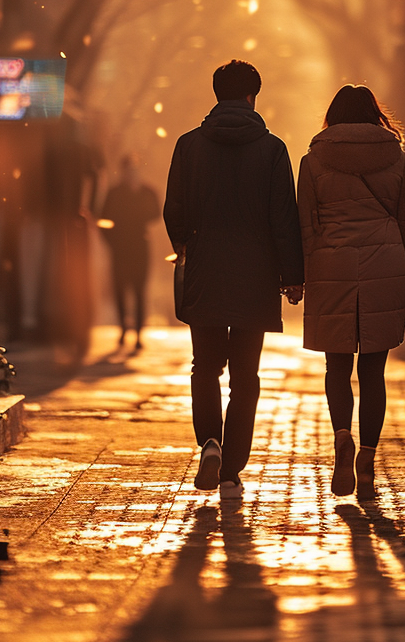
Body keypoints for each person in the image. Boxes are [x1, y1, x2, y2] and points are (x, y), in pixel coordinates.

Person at [163, 60, 304, 500]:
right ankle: (232, 468)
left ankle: (210, 443)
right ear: (252, 97)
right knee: (246, 374)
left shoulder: (188, 146)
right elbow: (284, 218)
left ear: (217, 94)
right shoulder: (273, 149)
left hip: (204, 270)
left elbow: (175, 210)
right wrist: (293, 276)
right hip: (255, 275)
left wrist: (186, 243)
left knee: (205, 366)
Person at [297, 85, 405, 501]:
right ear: (374, 115)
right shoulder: (396, 158)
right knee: (373, 371)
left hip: (331, 263)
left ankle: (342, 437)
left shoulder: (313, 161)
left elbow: (306, 223)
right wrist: (399, 253)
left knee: (337, 366)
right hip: (384, 261)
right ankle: (367, 456)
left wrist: (303, 271)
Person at [100, 156, 160, 350]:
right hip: (121, 249)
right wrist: (112, 242)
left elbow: (156, 213)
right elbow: (103, 220)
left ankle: (138, 332)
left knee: (139, 291)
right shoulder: (114, 193)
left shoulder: (146, 191)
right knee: (120, 290)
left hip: (140, 247)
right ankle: (124, 329)